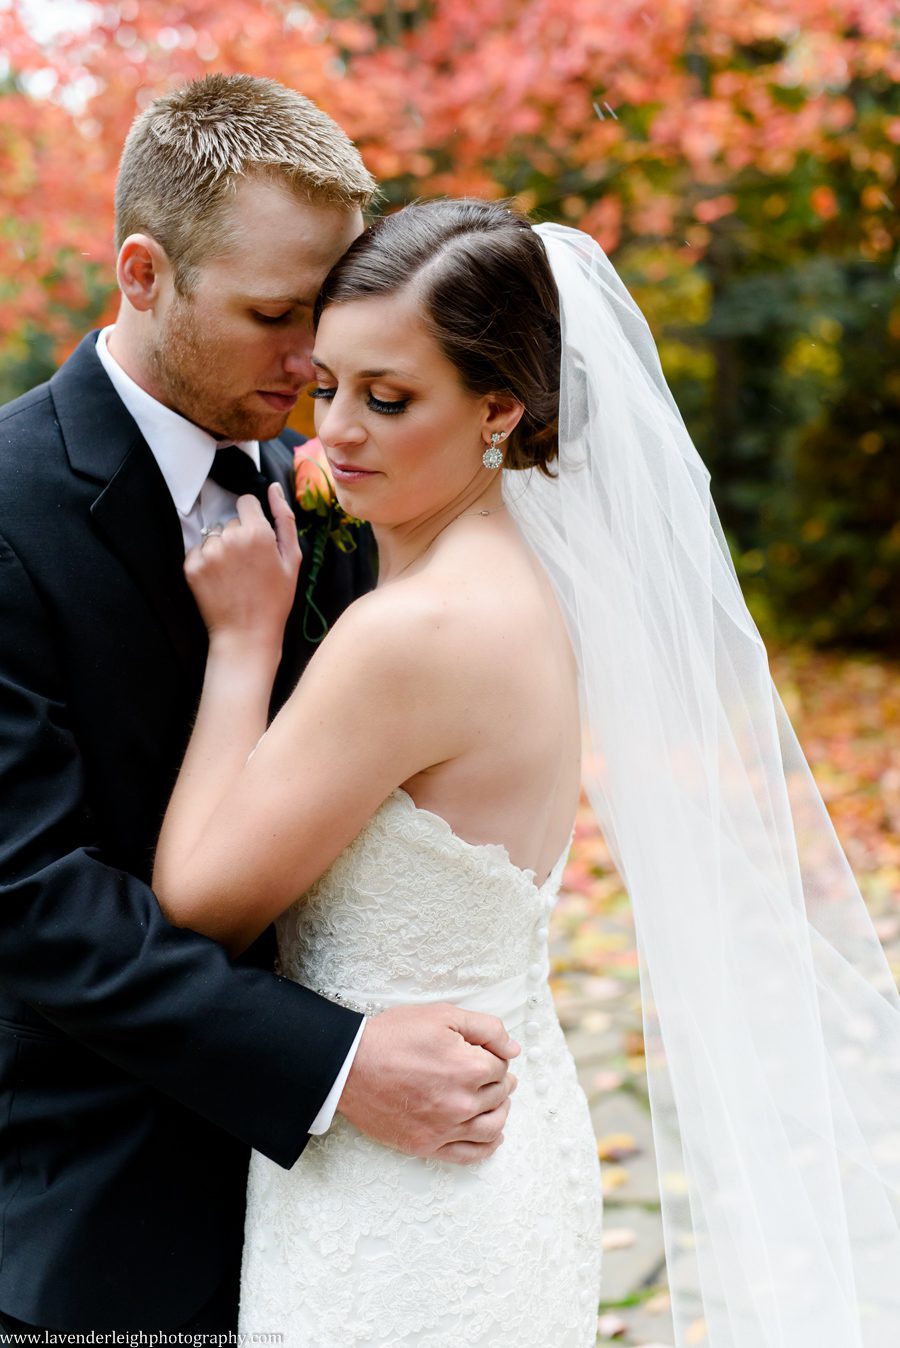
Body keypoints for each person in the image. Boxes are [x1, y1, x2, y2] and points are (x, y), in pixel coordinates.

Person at [156, 196, 900, 1348]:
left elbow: (199, 898)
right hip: (512, 1136)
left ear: (499, 408)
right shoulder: (533, 578)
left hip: (400, 1192)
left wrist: (243, 647)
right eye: (328, 386)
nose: (335, 431)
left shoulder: (411, 635)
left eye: (388, 399)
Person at [0, 82, 519, 1336]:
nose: (309, 370)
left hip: (370, 1214)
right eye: (274, 316)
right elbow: (27, 896)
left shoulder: (338, 484)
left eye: (324, 318)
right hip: (98, 1210)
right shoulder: (10, 510)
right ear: (143, 273)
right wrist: (332, 1065)